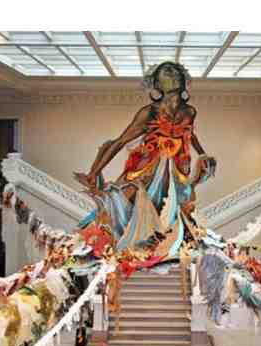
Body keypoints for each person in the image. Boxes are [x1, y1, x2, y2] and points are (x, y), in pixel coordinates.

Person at [73, 61, 216, 260]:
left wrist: (202, 153)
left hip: (176, 167)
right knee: (132, 203)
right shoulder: (149, 112)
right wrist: (95, 171)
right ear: (157, 85)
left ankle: (163, 246)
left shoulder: (190, 112)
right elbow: (120, 141)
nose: (172, 75)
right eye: (167, 74)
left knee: (176, 207)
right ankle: (132, 245)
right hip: (148, 166)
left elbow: (190, 134)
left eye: (175, 73)